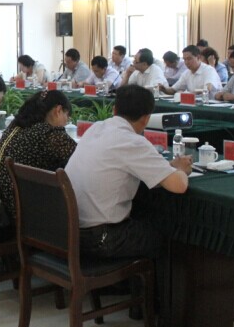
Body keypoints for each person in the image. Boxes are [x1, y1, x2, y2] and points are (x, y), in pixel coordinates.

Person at [65, 85, 191, 263]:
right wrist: (181, 169)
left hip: (69, 232)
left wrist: (167, 168)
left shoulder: (95, 128)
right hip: (100, 239)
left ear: (114, 110)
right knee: (164, 235)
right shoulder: (133, 141)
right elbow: (179, 185)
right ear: (146, 119)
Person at [0, 90, 75, 227]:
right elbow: (79, 159)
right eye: (67, 117)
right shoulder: (48, 133)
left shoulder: (15, 126)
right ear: (58, 110)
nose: (65, 123)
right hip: (20, 214)